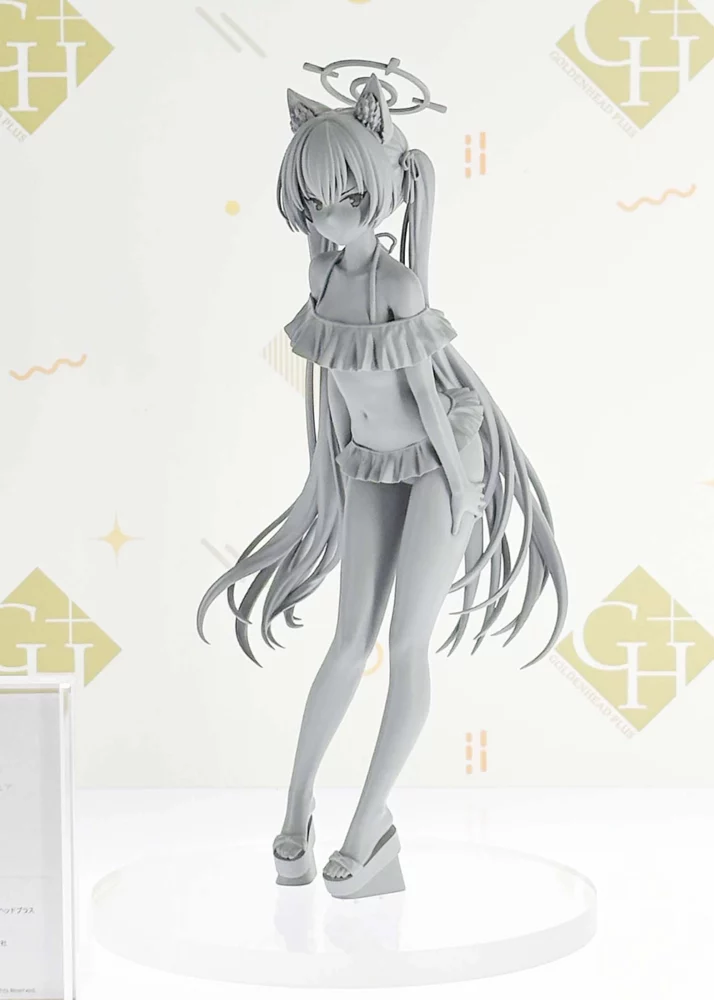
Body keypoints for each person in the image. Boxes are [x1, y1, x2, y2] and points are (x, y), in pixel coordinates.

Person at [196, 73, 567, 900]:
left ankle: (369, 823)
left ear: (380, 189)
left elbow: (430, 399)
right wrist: (329, 465)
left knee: (405, 645)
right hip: (368, 464)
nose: (328, 217)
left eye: (346, 199)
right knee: (346, 641)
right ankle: (296, 812)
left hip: (442, 462)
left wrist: (466, 490)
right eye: (314, 202)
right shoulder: (321, 277)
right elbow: (334, 386)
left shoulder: (398, 287)